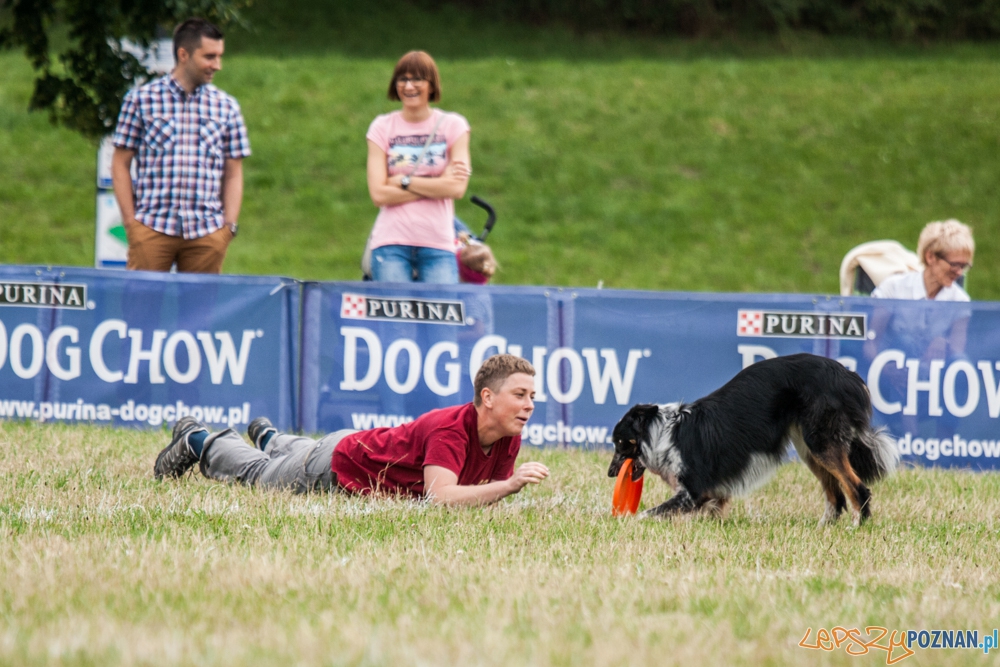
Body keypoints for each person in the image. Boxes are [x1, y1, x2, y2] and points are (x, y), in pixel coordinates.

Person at [153, 354, 549, 506]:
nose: (530, 404)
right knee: (258, 475)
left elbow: (478, 497)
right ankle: (198, 439)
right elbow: (441, 498)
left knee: (297, 456)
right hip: (339, 465)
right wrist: (511, 485)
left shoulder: (506, 434)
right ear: (488, 397)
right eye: (520, 394)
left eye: (532, 395)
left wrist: (501, 486)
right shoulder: (451, 430)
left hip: (348, 446)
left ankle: (273, 440)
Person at [111, 18, 251, 273]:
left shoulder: (227, 106)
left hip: (207, 233)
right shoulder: (141, 100)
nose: (217, 65)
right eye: (209, 57)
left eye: (219, 57)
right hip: (152, 226)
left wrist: (228, 227)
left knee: (200, 313)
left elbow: (234, 171)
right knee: (141, 309)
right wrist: (132, 224)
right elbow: (120, 164)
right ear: (183, 54)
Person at [365, 51, 471, 283]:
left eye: (418, 79)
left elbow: (456, 189)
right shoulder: (382, 127)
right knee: (395, 319)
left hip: (438, 245)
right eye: (402, 79)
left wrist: (403, 181)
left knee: (439, 319)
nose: (409, 86)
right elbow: (378, 194)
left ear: (431, 85)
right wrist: (437, 184)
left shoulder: (453, 125)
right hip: (391, 244)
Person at [871, 219, 974, 301]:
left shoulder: (960, 301)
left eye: (963, 266)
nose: (960, 272)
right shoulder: (893, 288)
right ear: (930, 257)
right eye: (954, 264)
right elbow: (874, 328)